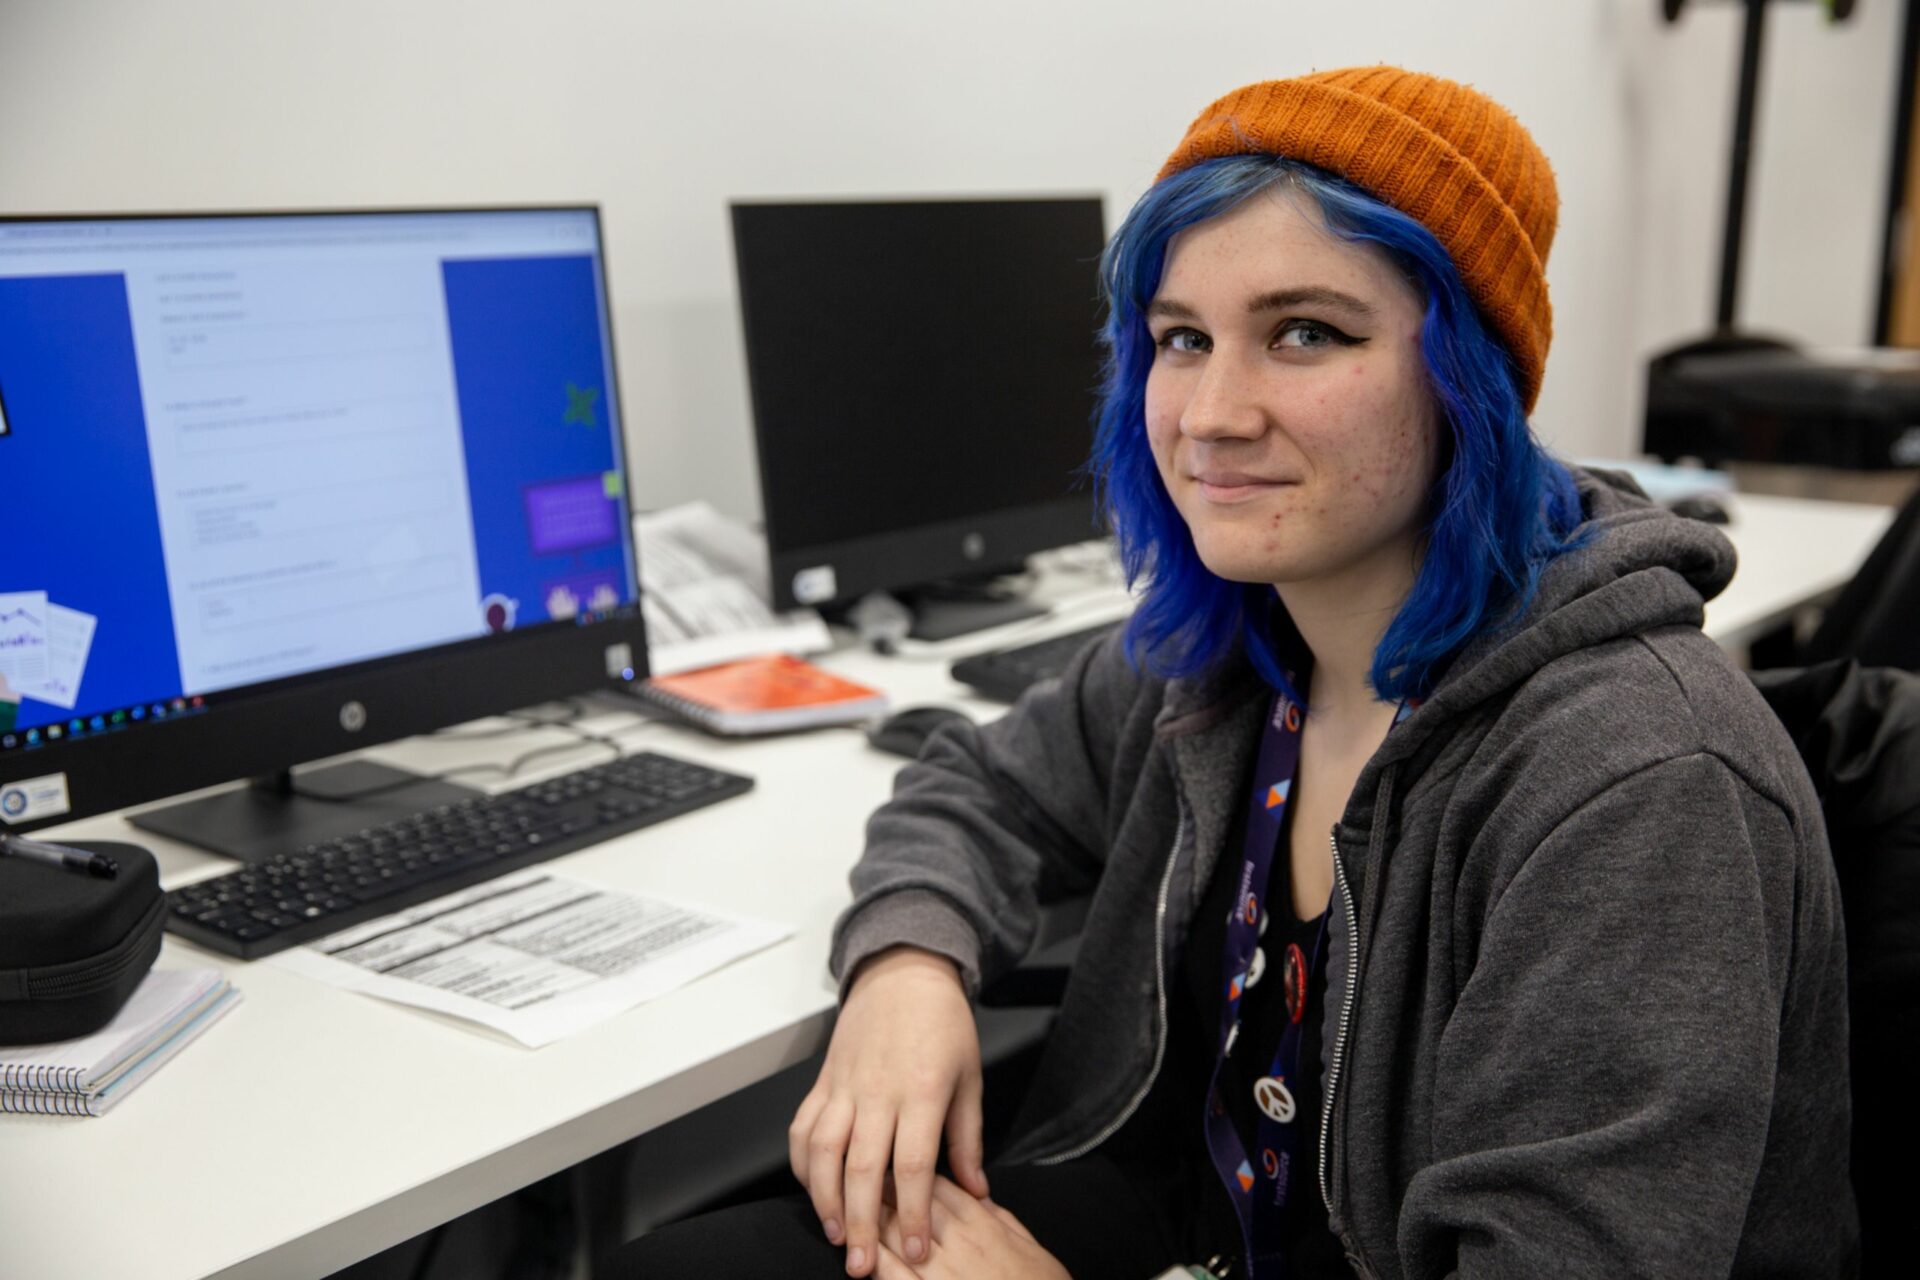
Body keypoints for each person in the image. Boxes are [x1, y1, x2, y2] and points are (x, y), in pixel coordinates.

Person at [612, 66, 1856, 1278]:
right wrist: (905, 967)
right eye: (1181, 338)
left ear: (1470, 375)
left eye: (1304, 333)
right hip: (1189, 1218)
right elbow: (977, 784)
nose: (1210, 411)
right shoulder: (1233, 649)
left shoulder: (1635, 776)